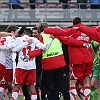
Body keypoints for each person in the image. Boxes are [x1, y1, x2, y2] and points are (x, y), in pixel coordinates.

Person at [43, 17, 94, 100]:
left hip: (77, 59)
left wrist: (57, 32)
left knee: (72, 81)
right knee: (87, 78)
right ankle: (86, 99)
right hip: (89, 58)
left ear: (73, 24)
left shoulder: (72, 31)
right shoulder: (87, 31)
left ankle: (73, 98)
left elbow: (66, 39)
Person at [0, 25, 19, 100]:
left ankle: (9, 95)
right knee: (3, 86)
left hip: (9, 65)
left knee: (9, 85)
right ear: (12, 32)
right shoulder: (11, 39)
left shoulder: (3, 37)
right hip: (3, 64)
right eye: (16, 32)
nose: (17, 34)